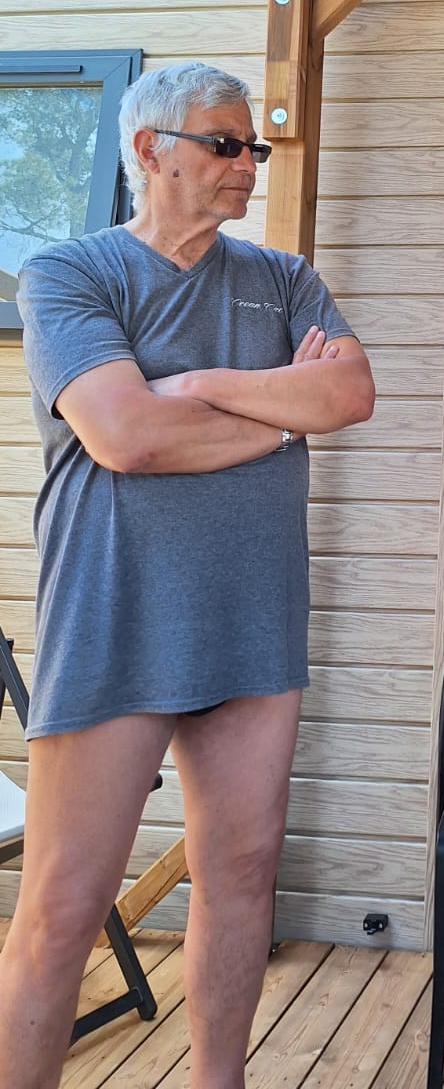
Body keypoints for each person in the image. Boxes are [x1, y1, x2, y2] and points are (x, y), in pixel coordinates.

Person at [8, 62, 375, 1088]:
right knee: (65, 904)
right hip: (115, 615)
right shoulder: (70, 274)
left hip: (254, 615)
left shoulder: (285, 280)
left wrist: (205, 385)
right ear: (149, 150)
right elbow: (126, 435)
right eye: (223, 143)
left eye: (253, 146)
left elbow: (348, 395)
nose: (246, 162)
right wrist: (280, 407)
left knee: (242, 873)